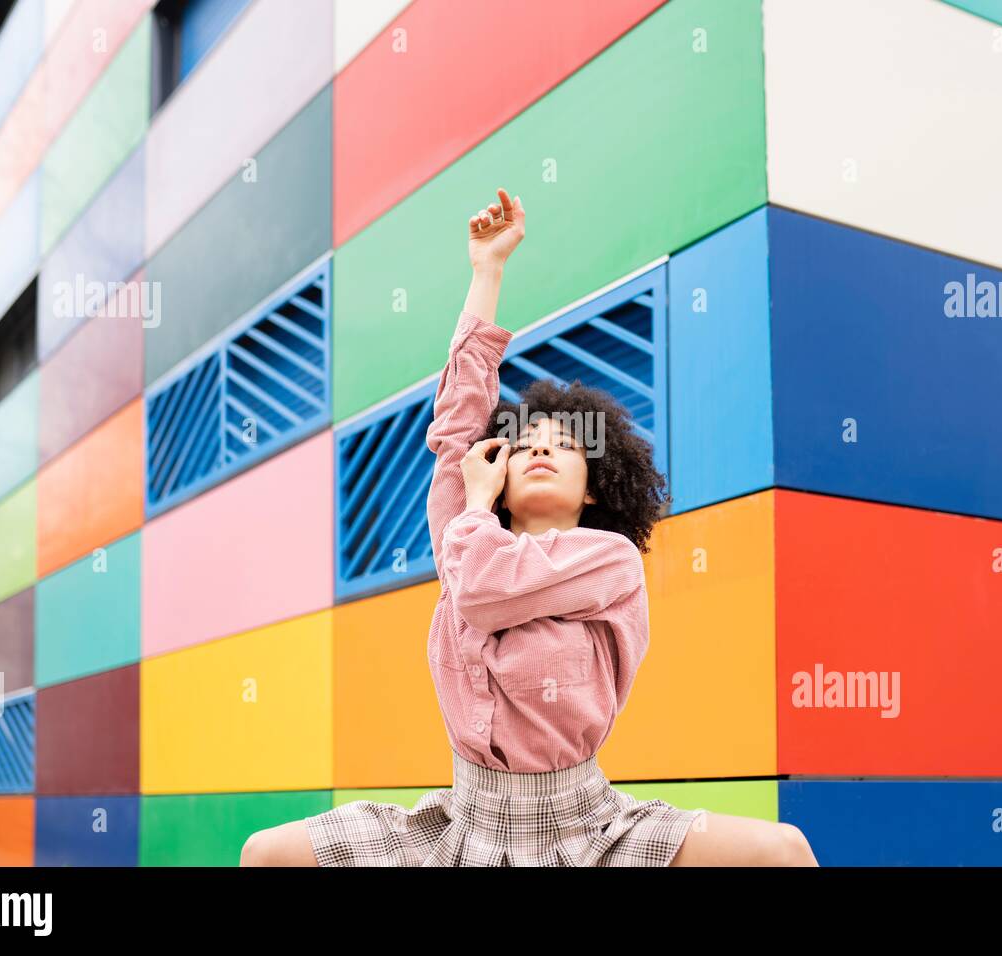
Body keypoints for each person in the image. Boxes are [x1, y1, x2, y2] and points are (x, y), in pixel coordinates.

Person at [240, 187, 818, 866]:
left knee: (781, 850)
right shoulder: (468, 534)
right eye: (524, 441)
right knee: (266, 853)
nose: (540, 446)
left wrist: (476, 509)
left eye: (565, 444)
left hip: (590, 826)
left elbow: (485, 590)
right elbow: (456, 422)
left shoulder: (608, 562)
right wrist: (487, 272)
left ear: (599, 484)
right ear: (498, 470)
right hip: (461, 820)